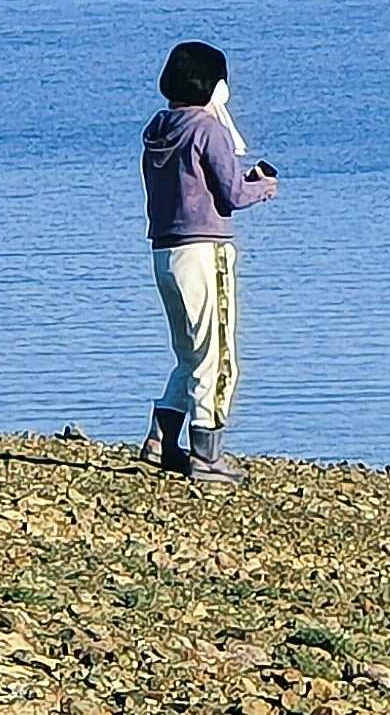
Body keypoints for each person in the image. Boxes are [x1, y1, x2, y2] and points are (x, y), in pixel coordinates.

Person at [140, 40, 274, 481]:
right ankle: (207, 454)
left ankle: (161, 439)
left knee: (188, 352)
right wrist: (263, 187)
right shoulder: (207, 129)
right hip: (203, 250)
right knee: (217, 355)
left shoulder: (159, 128)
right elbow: (232, 195)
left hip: (165, 251)